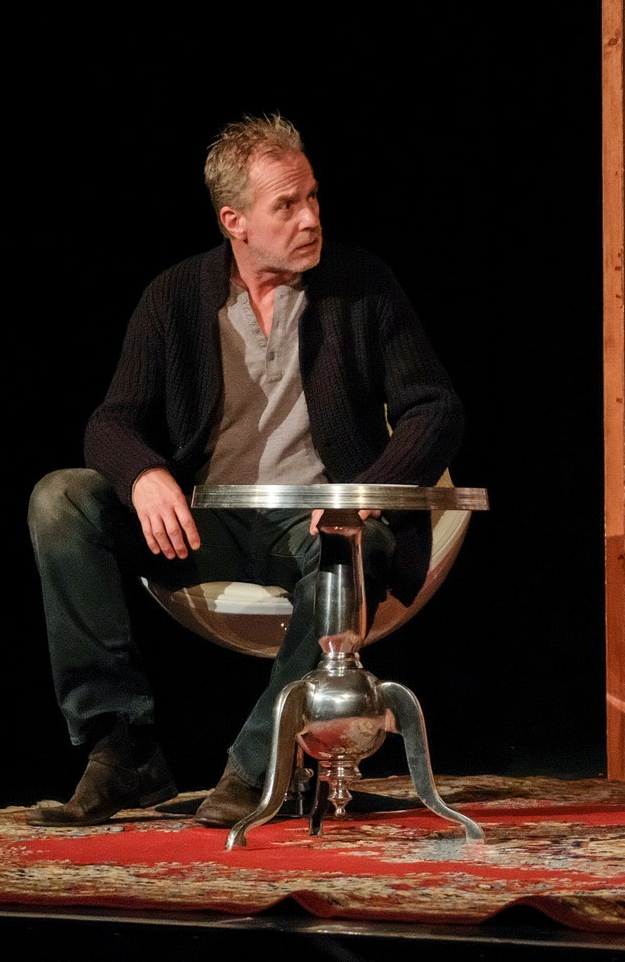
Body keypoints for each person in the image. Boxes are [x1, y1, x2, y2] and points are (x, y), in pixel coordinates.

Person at [26, 113, 463, 828]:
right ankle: (122, 747)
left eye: (312, 197)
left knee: (352, 551)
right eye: (286, 205)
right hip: (209, 525)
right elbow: (109, 422)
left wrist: (363, 495)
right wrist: (142, 474)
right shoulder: (175, 296)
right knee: (60, 500)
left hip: (316, 524)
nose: (310, 218)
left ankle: (262, 765)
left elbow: (436, 410)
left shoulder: (361, 284)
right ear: (235, 221)